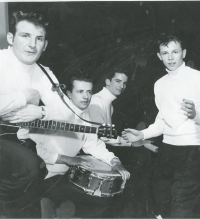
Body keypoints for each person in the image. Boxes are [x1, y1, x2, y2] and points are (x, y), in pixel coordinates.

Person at [122, 32, 200, 219]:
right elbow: (161, 122)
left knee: (182, 205)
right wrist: (142, 135)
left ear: (184, 53)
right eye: (165, 53)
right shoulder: (160, 85)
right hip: (168, 150)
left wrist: (196, 114)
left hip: (195, 151)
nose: (170, 57)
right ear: (159, 56)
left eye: (175, 52)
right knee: (162, 202)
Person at [0, 11, 72, 216]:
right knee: (31, 167)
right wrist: (26, 96)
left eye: (39, 38)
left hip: (13, 140)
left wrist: (41, 110)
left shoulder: (45, 73)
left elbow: (67, 112)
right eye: (25, 36)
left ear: (45, 45)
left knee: (37, 169)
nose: (32, 44)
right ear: (11, 38)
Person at [32, 73, 130, 219]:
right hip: (43, 177)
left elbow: (93, 145)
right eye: (80, 92)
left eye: (89, 92)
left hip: (65, 177)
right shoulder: (53, 113)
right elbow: (33, 148)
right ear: (69, 94)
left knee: (104, 202)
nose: (86, 96)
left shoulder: (85, 116)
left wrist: (114, 161)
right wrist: (67, 159)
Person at [88, 67, 150, 147]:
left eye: (125, 83)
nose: (122, 86)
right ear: (108, 81)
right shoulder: (97, 101)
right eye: (118, 81)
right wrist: (130, 142)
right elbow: (102, 136)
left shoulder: (107, 102)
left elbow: (106, 134)